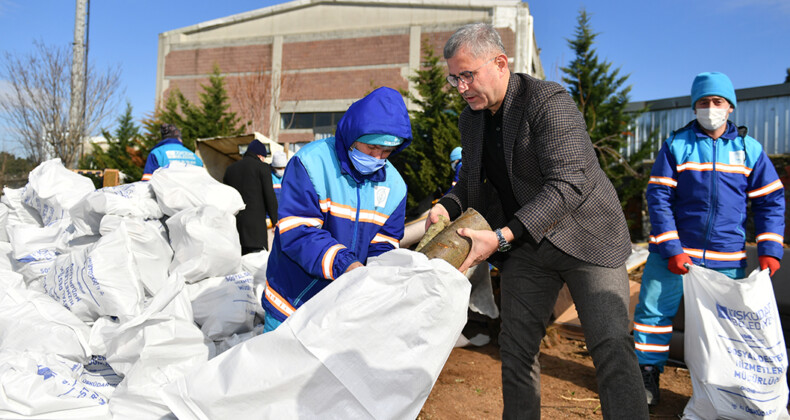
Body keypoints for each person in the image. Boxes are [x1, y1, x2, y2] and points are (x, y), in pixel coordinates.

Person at [426, 23, 649, 419]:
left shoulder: (548, 101)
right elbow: (474, 184)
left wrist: (502, 235)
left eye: (468, 75)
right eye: (454, 78)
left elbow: (569, 182)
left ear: (500, 63)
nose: (461, 87)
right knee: (515, 349)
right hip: (527, 249)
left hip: (586, 238)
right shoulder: (471, 120)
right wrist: (446, 205)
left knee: (611, 344)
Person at [633, 71, 785, 406]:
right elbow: (658, 198)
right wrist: (671, 248)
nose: (710, 108)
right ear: (694, 107)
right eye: (703, 102)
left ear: (730, 107)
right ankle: (646, 375)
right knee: (654, 314)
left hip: (726, 259)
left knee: (726, 326)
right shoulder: (676, 146)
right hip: (672, 256)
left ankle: (722, 390)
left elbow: (770, 200)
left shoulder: (749, 150)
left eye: (718, 101)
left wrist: (770, 248)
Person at [261, 86, 412, 333]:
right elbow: (298, 231)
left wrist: (378, 275)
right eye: (371, 148)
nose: (377, 158)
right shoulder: (311, 163)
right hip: (291, 302)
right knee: (274, 359)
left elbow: (384, 242)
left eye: (386, 151)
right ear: (353, 136)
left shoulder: (394, 187)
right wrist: (345, 264)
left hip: (341, 311)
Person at [223, 139, 279, 255]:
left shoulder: (230, 170)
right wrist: (275, 220)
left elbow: (226, 196)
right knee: (257, 261)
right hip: (256, 229)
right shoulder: (262, 168)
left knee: (239, 260)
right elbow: (269, 196)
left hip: (235, 227)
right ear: (260, 155)